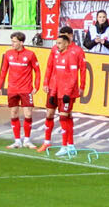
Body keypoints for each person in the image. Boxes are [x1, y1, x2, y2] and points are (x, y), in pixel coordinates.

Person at [41, 25, 88, 156]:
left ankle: (68, 144)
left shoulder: (76, 52)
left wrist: (81, 86)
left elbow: (81, 71)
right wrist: (47, 83)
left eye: (61, 40)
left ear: (69, 37)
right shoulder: (56, 50)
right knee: (50, 113)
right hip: (54, 88)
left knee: (65, 116)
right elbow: (50, 66)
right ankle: (47, 141)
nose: (58, 44)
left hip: (67, 90)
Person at [0, 30, 41, 148]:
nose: (12, 43)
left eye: (14, 41)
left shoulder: (30, 54)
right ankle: (17, 140)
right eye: (12, 41)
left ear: (21, 42)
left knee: (28, 114)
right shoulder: (8, 54)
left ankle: (27, 140)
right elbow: (3, 71)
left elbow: (37, 71)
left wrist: (36, 86)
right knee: (13, 113)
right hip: (12, 89)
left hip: (26, 89)